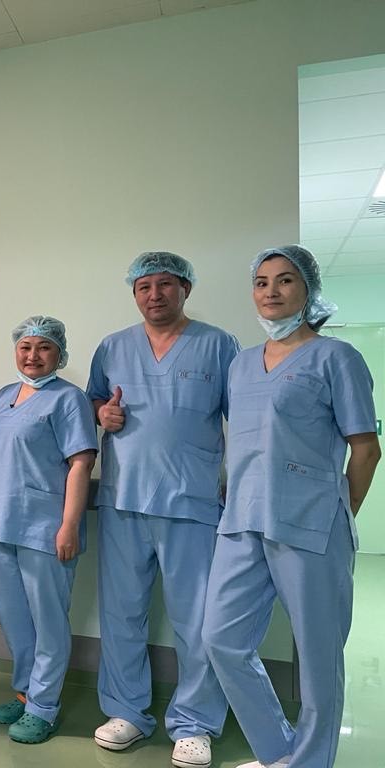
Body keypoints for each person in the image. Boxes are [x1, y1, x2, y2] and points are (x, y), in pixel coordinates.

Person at [202, 245, 380, 768]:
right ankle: (281, 752)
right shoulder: (240, 364)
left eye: (285, 280)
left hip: (312, 524)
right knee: (221, 639)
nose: (271, 291)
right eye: (261, 282)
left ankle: (311, 761)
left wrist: (338, 512)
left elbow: (365, 448)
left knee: (319, 659)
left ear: (308, 289)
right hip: (243, 520)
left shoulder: (336, 358)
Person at [87, 252, 238, 768]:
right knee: (121, 612)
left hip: (192, 501)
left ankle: (195, 723)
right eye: (144, 286)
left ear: (185, 289)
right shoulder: (112, 347)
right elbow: (91, 403)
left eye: (165, 284)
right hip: (123, 499)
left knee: (196, 619)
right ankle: (126, 710)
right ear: (134, 293)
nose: (154, 294)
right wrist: (102, 413)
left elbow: (244, 417)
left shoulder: (218, 345)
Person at [0, 316, 97, 744]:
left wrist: (69, 525)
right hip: (1, 523)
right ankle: (26, 693)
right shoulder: (3, 396)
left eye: (44, 347)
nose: (33, 355)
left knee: (48, 621)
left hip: (45, 527)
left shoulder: (69, 399)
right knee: (13, 616)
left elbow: (81, 463)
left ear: (59, 354)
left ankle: (44, 706)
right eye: (25, 347)